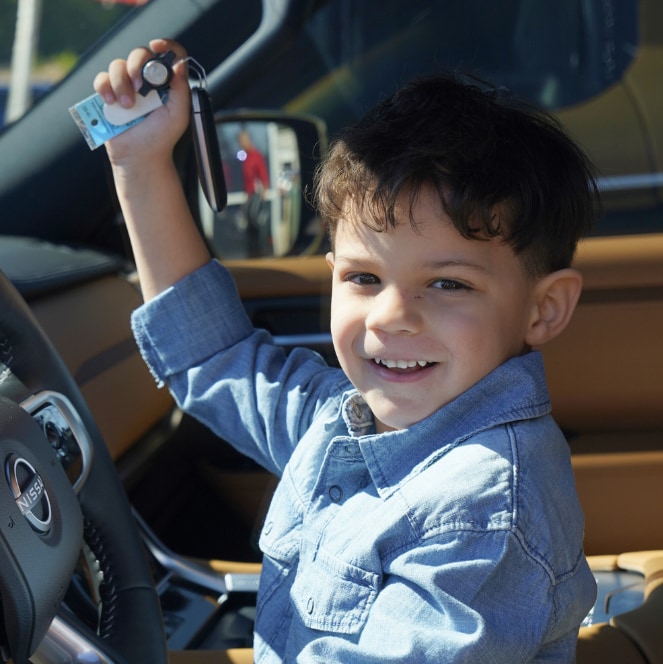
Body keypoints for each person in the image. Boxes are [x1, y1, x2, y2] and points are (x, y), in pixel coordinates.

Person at [95, 38, 598, 662]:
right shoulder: (344, 419)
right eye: (363, 279)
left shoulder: (482, 510)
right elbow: (214, 357)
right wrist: (140, 166)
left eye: (447, 284)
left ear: (544, 308)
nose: (390, 316)